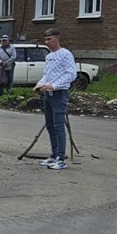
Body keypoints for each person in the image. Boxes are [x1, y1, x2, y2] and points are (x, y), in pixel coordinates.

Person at [35, 28, 78, 170]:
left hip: (59, 93)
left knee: (59, 126)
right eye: (46, 40)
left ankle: (61, 157)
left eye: (50, 39)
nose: (47, 42)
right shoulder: (49, 56)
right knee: (50, 125)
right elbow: (47, 74)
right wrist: (40, 84)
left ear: (57, 38)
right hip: (48, 93)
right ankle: (54, 154)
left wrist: (54, 85)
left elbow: (71, 74)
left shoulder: (66, 54)